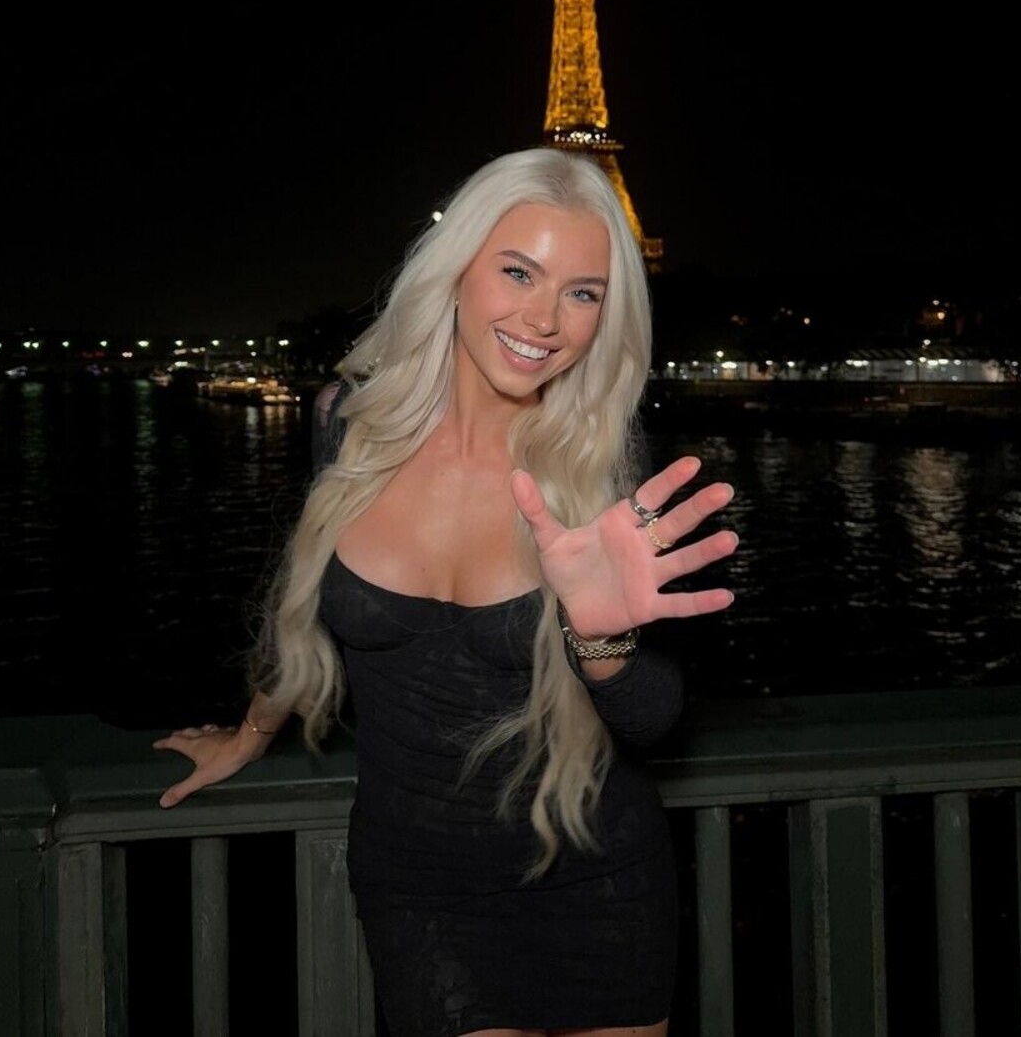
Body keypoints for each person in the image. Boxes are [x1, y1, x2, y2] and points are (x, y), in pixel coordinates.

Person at [154, 146, 738, 1037]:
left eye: (584, 293)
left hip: (598, 876)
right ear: (456, 268)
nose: (545, 319)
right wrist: (251, 731)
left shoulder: (606, 469)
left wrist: (599, 638)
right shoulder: (350, 422)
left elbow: (654, 719)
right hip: (419, 885)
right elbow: (304, 598)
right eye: (519, 272)